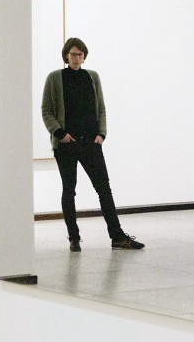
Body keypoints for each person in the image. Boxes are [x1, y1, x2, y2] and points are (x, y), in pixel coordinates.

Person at [41, 38, 144, 252]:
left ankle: (117, 236)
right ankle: (74, 238)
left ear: (84, 56)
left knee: (104, 188)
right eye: (73, 54)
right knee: (69, 190)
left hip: (90, 142)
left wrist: (101, 134)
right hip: (66, 144)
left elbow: (101, 108)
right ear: (66, 56)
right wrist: (59, 133)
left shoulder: (92, 77)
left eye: (80, 54)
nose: (77, 58)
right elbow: (46, 110)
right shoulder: (55, 78)